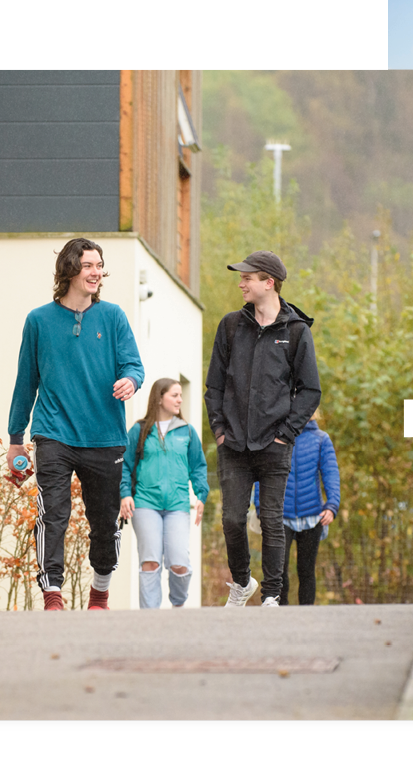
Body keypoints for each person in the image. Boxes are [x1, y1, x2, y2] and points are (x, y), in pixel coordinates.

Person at [7, 237, 144, 611]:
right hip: (54, 434)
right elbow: (26, 381)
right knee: (53, 514)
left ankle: (100, 591)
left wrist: (130, 381)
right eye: (88, 265)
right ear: (69, 269)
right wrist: (15, 438)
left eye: (99, 265)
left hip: (105, 436)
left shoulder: (113, 316)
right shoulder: (38, 321)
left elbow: (134, 365)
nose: (96, 272)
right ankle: (53, 592)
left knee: (104, 521)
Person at [205, 250, 321, 608]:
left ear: (268, 283)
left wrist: (286, 433)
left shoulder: (297, 332)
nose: (241, 284)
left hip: (274, 444)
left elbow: (310, 390)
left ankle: (271, 594)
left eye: (247, 278)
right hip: (234, 445)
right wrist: (220, 430)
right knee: (233, 520)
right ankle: (242, 583)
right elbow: (214, 387)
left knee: (272, 520)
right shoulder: (229, 326)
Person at [119, 378, 208, 609]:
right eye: (174, 395)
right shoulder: (139, 431)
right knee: (150, 561)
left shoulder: (187, 431)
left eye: (180, 395)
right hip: (145, 503)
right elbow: (125, 466)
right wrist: (125, 494)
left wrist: (201, 495)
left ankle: (178, 605)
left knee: (179, 563)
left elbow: (198, 466)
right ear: (159, 398)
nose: (180, 399)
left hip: (177, 505)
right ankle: (150, 617)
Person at [279, 408, 340, 605]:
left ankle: (306, 620)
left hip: (313, 516)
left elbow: (330, 473)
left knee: (306, 571)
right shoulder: (275, 437)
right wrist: (261, 506)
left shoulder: (321, 439)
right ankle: (280, 619)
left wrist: (331, 505)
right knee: (279, 572)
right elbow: (261, 473)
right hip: (281, 515)